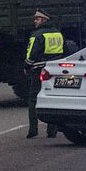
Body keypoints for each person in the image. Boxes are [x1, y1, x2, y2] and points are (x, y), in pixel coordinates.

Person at [24, 9, 64, 139]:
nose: (34, 21)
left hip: (39, 70)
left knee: (33, 99)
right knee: (52, 99)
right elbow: (65, 51)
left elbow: (31, 55)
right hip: (55, 70)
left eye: (37, 19)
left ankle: (33, 130)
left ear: (43, 20)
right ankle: (52, 131)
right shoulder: (58, 34)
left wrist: (26, 66)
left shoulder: (37, 35)